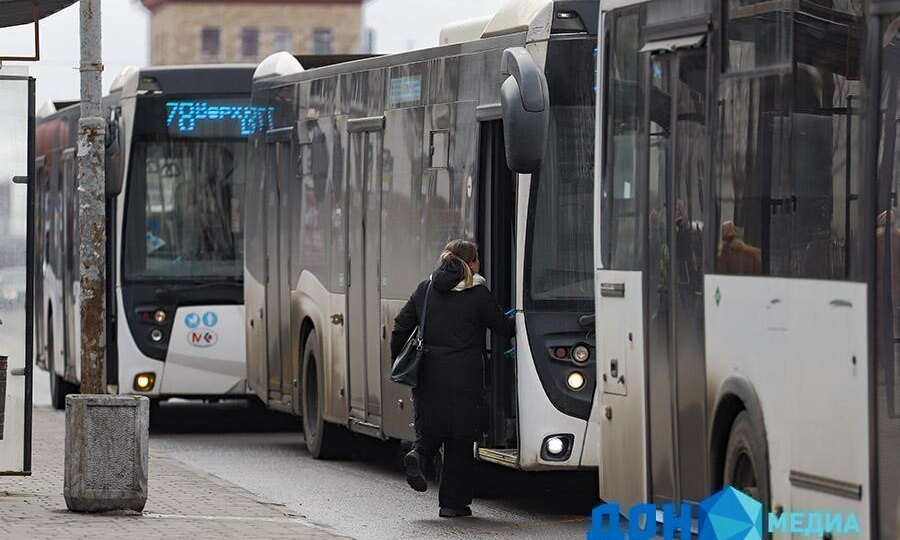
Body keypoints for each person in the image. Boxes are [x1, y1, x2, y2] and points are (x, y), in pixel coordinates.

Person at [390, 239, 514, 518]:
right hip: (465, 376)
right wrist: (523, 320)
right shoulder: (477, 292)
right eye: (477, 259)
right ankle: (452, 504)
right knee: (460, 439)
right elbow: (501, 326)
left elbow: (401, 326)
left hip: (429, 372)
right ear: (471, 263)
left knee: (431, 428)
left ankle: (419, 455)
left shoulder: (426, 288)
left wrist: (398, 357)